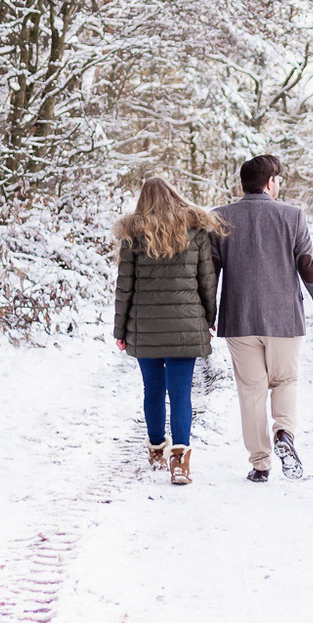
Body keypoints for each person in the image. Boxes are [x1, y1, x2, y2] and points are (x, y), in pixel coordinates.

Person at [212, 153, 313, 483]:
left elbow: (208, 273)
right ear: (270, 183)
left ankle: (260, 464)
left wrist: (207, 314)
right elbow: (308, 267)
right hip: (284, 319)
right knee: (285, 380)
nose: (279, 185)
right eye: (278, 180)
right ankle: (284, 434)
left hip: (238, 319)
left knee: (251, 391)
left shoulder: (220, 219)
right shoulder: (292, 217)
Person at [113, 177, 225, 486]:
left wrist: (120, 329)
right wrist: (209, 318)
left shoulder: (133, 237)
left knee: (153, 391)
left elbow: (125, 289)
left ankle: (156, 450)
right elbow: (207, 282)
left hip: (144, 326)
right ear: (175, 197)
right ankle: (180, 463)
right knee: (180, 394)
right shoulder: (196, 232)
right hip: (186, 326)